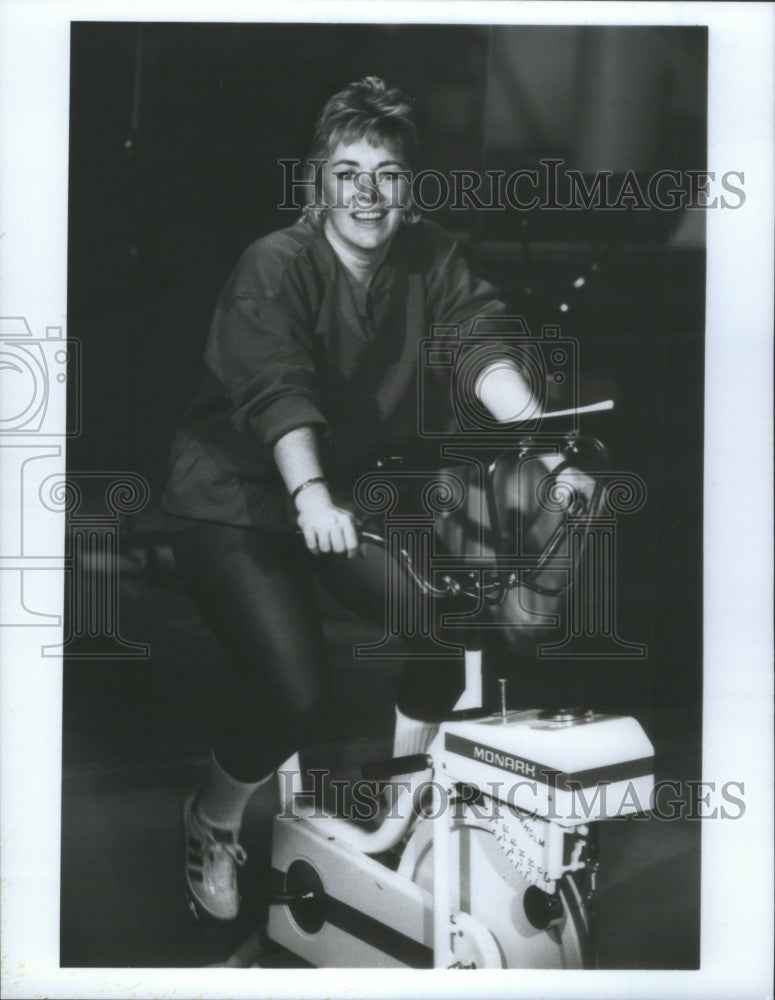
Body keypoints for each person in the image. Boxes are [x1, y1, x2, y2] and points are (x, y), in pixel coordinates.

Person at [163, 75, 583, 922]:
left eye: (386, 174)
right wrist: (312, 494)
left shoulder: (430, 256)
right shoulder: (274, 263)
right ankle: (210, 819)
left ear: (408, 188)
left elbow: (480, 344)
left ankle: (400, 816)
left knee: (442, 619)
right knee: (295, 694)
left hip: (338, 499)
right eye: (347, 171)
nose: (366, 193)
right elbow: (276, 390)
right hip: (235, 500)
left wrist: (543, 443)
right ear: (316, 181)